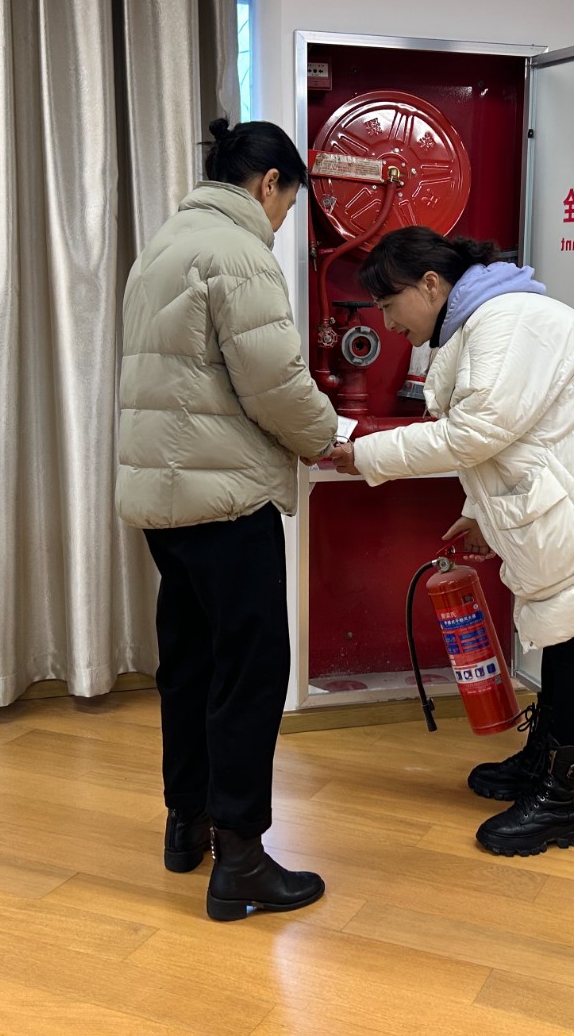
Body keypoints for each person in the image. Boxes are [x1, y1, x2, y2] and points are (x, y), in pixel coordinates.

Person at [328, 227, 574, 856]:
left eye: (389, 302)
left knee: (571, 644)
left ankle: (563, 802)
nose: (387, 321)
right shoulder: (485, 321)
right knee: (565, 639)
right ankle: (544, 765)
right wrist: (480, 515)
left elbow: (477, 432)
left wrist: (368, 454)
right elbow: (507, 437)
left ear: (430, 284)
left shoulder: (503, 321)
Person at [117, 117, 337, 920]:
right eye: (288, 206)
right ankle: (239, 858)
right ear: (269, 183)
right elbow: (275, 383)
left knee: (190, 663)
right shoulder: (239, 252)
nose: (282, 223)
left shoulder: (164, 244)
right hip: (223, 499)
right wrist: (328, 438)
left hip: (165, 501)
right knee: (249, 671)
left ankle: (188, 825)